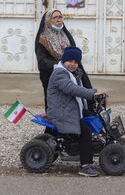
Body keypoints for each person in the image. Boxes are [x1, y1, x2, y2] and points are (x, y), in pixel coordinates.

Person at [46, 46, 102, 177]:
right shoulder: (59, 73)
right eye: (70, 61)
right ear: (64, 60)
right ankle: (85, 166)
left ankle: (100, 142)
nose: (73, 64)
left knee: (94, 116)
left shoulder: (74, 74)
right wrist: (92, 93)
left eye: (76, 62)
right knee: (85, 131)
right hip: (61, 112)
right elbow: (71, 88)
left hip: (68, 108)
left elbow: (77, 90)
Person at [35, 9, 92, 111]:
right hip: (53, 76)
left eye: (60, 17)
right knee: (56, 104)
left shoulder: (65, 36)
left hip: (72, 74)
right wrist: (62, 65)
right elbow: (42, 62)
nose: (58, 20)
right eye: (55, 17)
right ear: (48, 20)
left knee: (74, 100)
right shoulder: (43, 39)